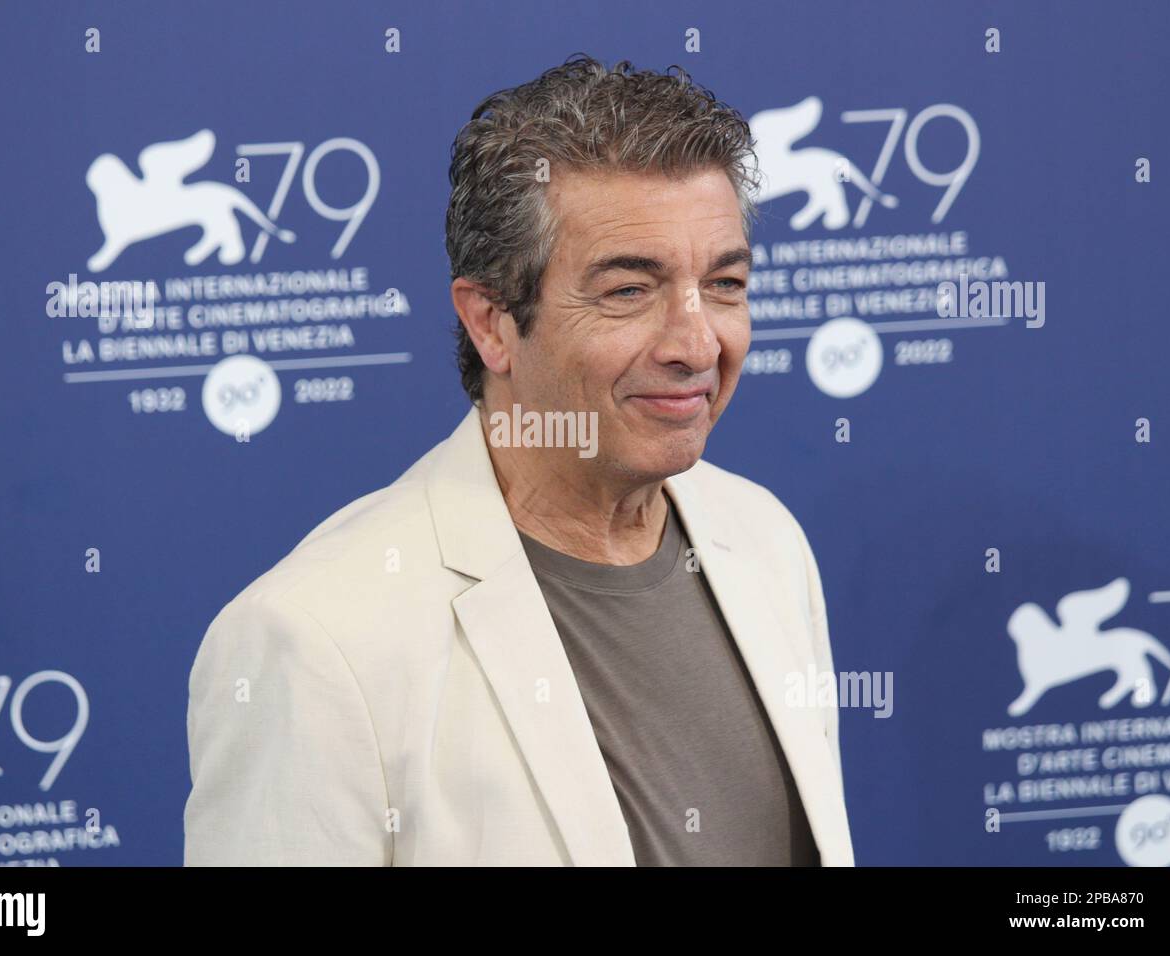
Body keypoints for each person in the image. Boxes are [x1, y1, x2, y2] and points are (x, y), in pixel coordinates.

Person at [184, 53, 853, 866]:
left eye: (724, 283)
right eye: (628, 291)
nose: (696, 342)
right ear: (491, 322)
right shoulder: (315, 639)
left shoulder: (768, 542)